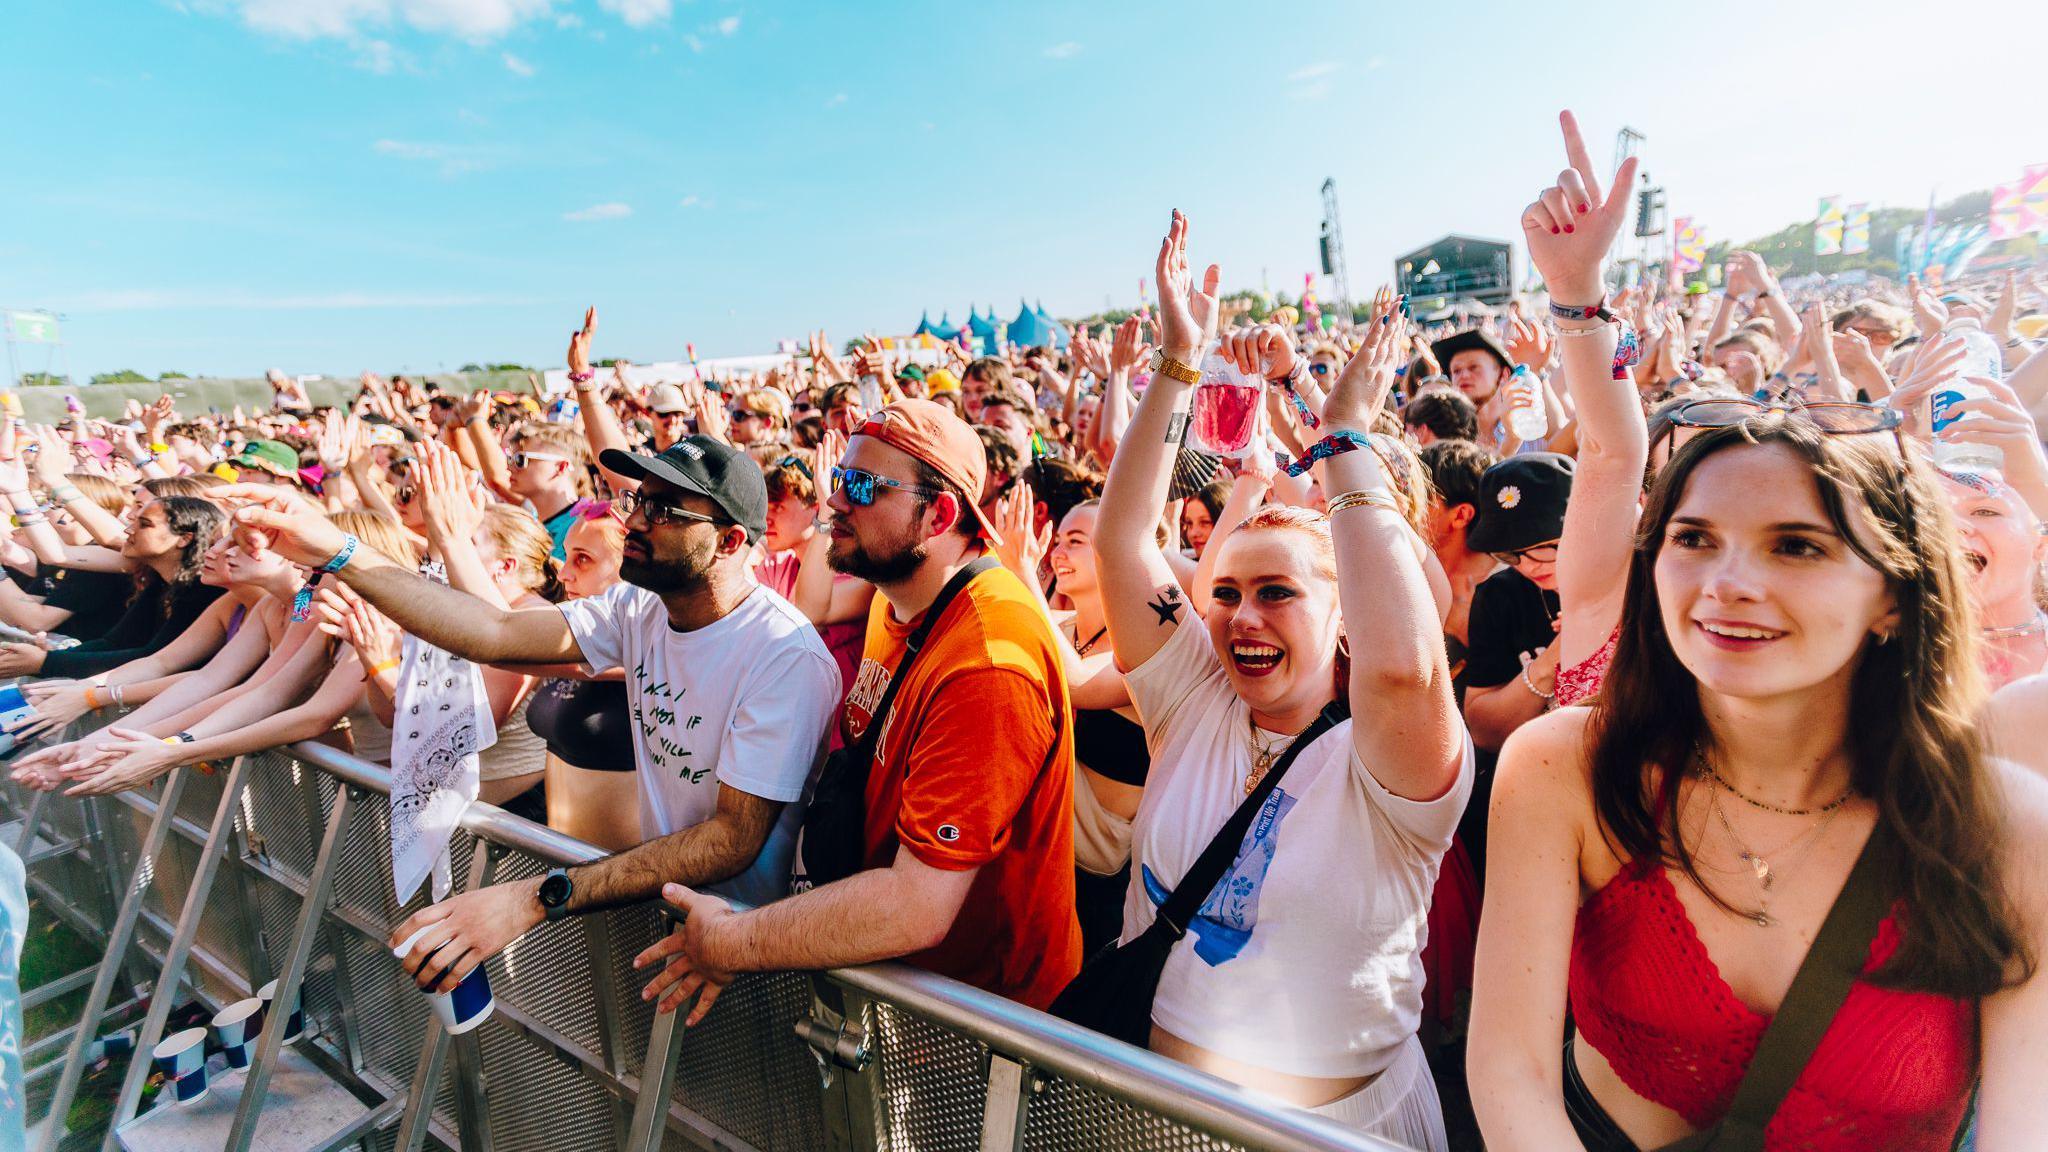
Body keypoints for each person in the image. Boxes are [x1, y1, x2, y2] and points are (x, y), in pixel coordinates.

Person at [1468, 111, 2048, 1151]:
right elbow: (1507, 1074)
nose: (1728, 582)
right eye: (1692, 536)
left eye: (1795, 545)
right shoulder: (1560, 765)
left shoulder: (2007, 827)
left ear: (1892, 595)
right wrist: (1573, 301)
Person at [1089, 213, 1468, 1146]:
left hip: (1344, 1131)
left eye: (1277, 594)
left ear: (1342, 617)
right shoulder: (1190, 703)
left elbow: (1406, 663)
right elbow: (1121, 538)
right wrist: (1179, 358)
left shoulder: (1388, 759)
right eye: (1223, 592)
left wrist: (1343, 440)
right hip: (1162, 1119)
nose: (1242, 616)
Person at [224, 432, 840, 996]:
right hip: (669, 922)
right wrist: (339, 552)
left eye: (664, 511)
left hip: (752, 955)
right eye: (637, 502)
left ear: (731, 542)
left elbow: (732, 840)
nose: (636, 522)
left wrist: (534, 898)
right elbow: (493, 632)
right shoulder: (639, 609)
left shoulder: (781, 656)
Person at [631, 397, 1081, 1022]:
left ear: (938, 515)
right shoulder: (892, 596)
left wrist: (735, 941)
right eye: (841, 478)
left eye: (863, 486)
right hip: (901, 981)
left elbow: (917, 904)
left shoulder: (988, 664)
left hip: (983, 1014)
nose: (835, 501)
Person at [1458, 454, 1575, 754]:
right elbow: (1483, 731)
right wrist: (1553, 659)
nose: (1528, 565)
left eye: (1542, 547)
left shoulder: (1636, 580)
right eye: (1511, 554)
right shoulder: (1499, 595)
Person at [507, 423, 593, 559]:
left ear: (561, 467)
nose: (510, 467)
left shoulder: (587, 526)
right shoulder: (533, 520)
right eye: (510, 459)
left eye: (520, 459)